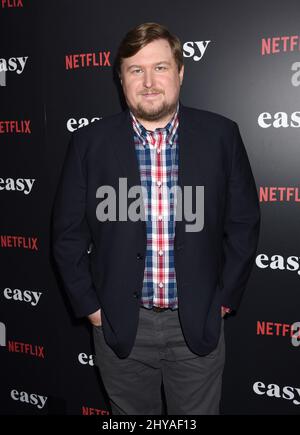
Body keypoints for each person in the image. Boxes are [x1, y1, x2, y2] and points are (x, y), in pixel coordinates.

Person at [52, 22, 260, 415]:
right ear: (121, 78)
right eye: (135, 70)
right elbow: (67, 236)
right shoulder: (88, 143)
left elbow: (244, 223)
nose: (148, 81)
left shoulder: (222, 135)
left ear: (180, 73)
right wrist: (93, 310)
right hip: (119, 328)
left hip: (197, 324)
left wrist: (223, 299)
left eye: (160, 68)